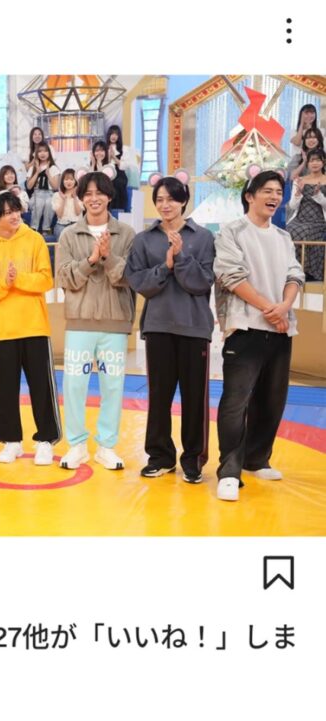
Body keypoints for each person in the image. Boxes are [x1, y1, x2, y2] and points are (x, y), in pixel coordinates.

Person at [214, 170, 304, 501]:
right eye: (267, 190)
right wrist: (270, 308)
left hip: (280, 328)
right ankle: (229, 471)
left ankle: (256, 459)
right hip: (245, 326)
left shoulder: (283, 237)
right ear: (249, 196)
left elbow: (295, 274)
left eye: (278, 191)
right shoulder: (231, 231)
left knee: (272, 399)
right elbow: (231, 276)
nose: (274, 196)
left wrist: (285, 307)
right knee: (235, 400)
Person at [125, 175, 215, 483]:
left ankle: (193, 460)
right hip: (158, 326)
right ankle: (160, 456)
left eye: (172, 199)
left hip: (194, 327)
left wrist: (181, 257)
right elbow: (139, 282)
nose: (166, 205)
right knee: (159, 396)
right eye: (160, 199)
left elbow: (202, 282)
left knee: (195, 398)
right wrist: (165, 266)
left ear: (184, 201)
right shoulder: (144, 239)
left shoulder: (203, 237)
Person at [0, 191, 62, 465]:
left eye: (16, 210)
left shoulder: (34, 240)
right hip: (3, 329)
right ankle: (11, 441)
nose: (13, 216)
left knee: (42, 387)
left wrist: (18, 279)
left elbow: (46, 280)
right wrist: (4, 284)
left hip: (35, 326)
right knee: (6, 389)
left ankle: (45, 440)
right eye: (7, 212)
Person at [55, 171, 136, 471]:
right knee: (74, 386)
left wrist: (108, 256)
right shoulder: (68, 235)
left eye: (99, 193)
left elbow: (129, 277)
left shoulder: (126, 234)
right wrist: (91, 260)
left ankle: (106, 446)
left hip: (115, 322)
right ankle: (77, 445)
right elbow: (65, 278)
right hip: (79, 321)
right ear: (81, 199)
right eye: (87, 194)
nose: (94, 198)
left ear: (110, 196)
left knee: (112, 386)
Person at [287, 149, 326, 281]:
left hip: (318, 220)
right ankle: (292, 269)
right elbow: (292, 206)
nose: (315, 163)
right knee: (290, 230)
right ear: (307, 163)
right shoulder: (300, 180)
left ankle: (307, 271)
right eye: (311, 160)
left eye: (318, 160)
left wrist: (319, 196)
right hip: (300, 217)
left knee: (304, 232)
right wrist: (298, 194)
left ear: (323, 162)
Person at [25, 142, 60, 234]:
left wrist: (48, 174)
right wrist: (37, 172)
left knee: (49, 203)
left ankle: (46, 229)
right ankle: (34, 228)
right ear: (37, 154)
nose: (42, 153)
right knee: (39, 203)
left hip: (50, 194)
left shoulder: (53, 168)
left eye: (45, 151)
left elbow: (55, 187)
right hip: (37, 194)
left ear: (49, 153)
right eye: (40, 151)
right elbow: (29, 186)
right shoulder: (32, 168)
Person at [52, 168, 83, 241]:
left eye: (72, 179)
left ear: (76, 181)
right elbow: (59, 215)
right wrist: (63, 199)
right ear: (62, 181)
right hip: (61, 225)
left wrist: (75, 197)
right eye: (66, 179)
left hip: (76, 224)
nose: (69, 182)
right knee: (61, 234)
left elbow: (78, 212)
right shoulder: (57, 195)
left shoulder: (80, 195)